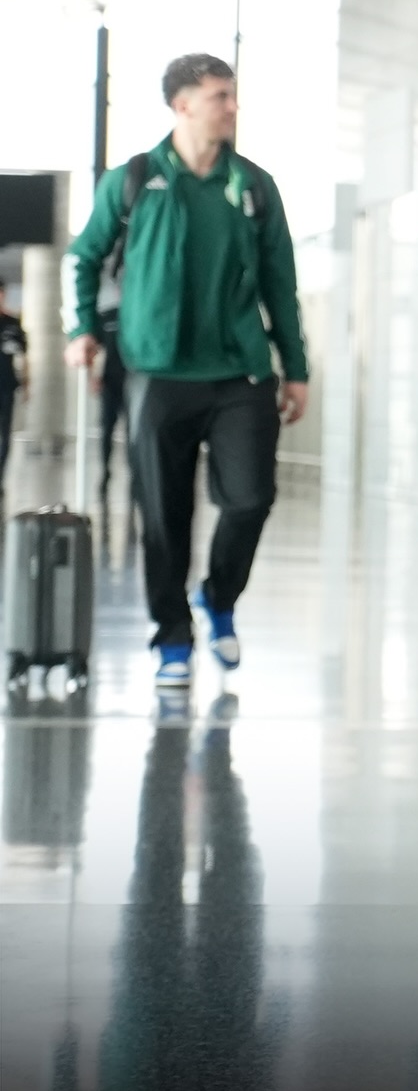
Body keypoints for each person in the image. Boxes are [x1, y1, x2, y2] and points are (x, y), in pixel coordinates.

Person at [63, 54, 308, 688]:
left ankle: (219, 597)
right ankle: (171, 636)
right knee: (163, 515)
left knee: (251, 499)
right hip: (158, 372)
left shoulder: (254, 186)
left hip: (240, 372)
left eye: (231, 94)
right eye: (220, 96)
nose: (231, 106)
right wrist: (80, 328)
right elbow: (82, 257)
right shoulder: (134, 180)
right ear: (182, 105)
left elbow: (281, 284)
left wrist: (296, 367)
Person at [96, 291, 129, 500]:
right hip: (109, 382)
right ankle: (105, 471)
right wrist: (93, 376)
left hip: (132, 382)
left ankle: (135, 476)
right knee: (106, 429)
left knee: (133, 431)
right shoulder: (107, 317)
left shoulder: (138, 316)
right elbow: (95, 347)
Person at [0, 280, 27, 500]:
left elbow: (24, 356)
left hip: (6, 385)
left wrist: (27, 383)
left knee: (5, 435)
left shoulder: (13, 324)